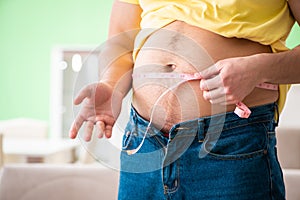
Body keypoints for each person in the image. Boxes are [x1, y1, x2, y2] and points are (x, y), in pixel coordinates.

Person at [69, 0, 300, 199]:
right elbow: (120, 41)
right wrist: (111, 85)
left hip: (231, 139)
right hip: (144, 140)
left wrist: (258, 69)